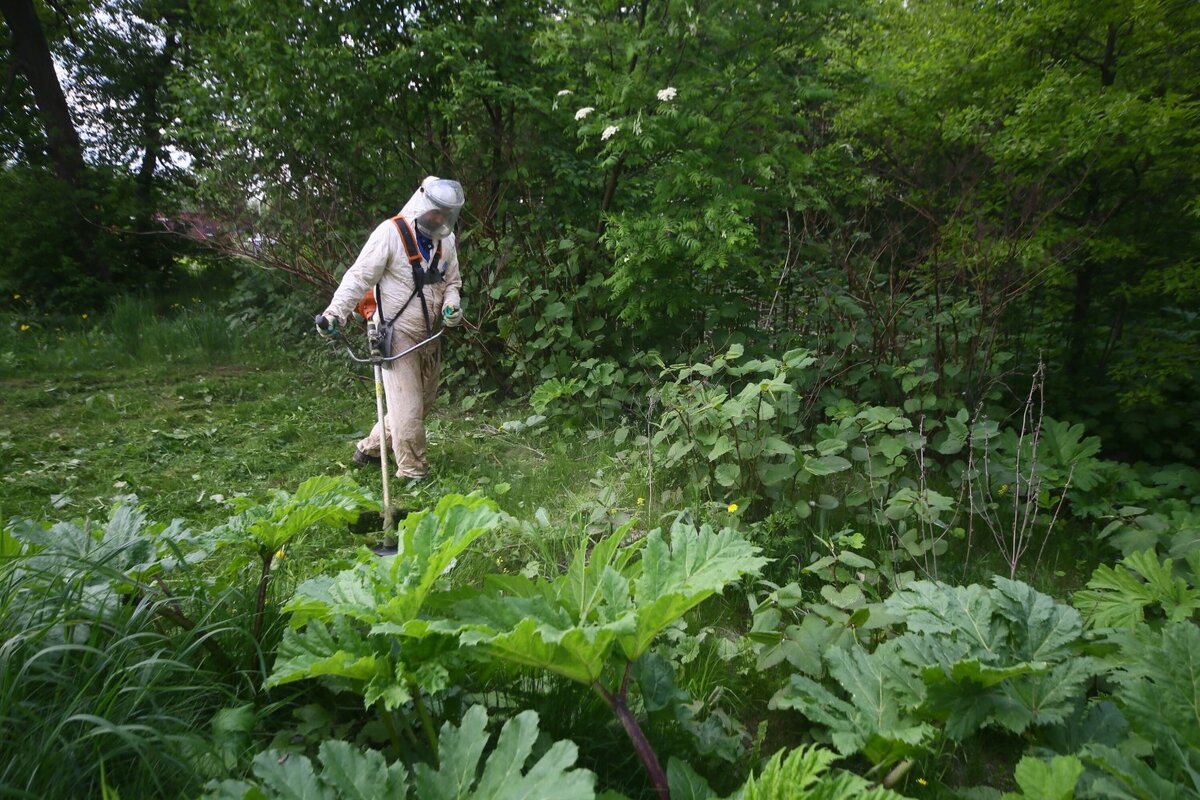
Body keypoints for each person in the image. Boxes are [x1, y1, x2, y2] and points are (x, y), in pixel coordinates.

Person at [317, 176, 465, 482]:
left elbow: (452, 282)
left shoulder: (446, 242)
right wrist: (334, 314)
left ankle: (370, 448)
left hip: (431, 336)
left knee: (420, 403)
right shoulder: (390, 234)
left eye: (446, 214)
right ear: (422, 203)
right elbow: (359, 277)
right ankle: (413, 475)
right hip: (396, 335)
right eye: (436, 211)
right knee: (409, 413)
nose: (439, 218)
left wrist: (452, 306)